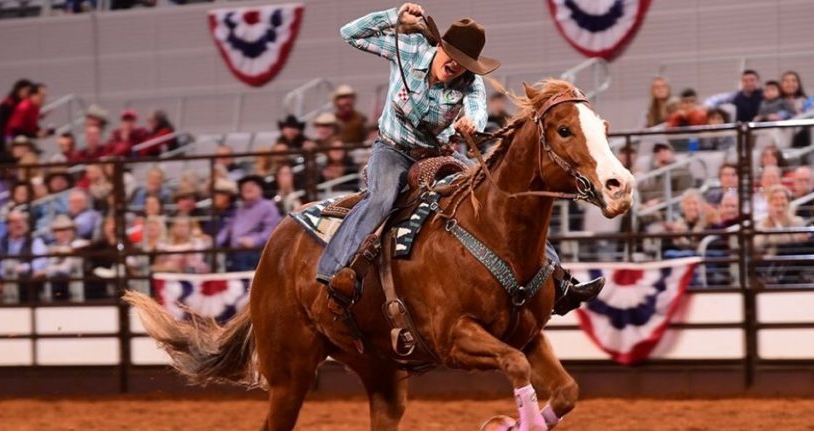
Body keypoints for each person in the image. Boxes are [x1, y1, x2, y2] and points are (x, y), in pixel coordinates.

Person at [317, 4, 603, 315]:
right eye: (452, 55)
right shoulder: (409, 48)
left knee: (501, 197)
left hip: (441, 154)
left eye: (465, 62)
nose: (455, 65)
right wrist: (395, 16)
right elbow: (350, 35)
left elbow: (478, 109)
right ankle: (335, 271)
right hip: (392, 150)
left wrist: (473, 123)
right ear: (439, 45)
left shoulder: (470, 83)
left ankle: (560, 283)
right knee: (382, 197)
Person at [0, 210, 48, 303]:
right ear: (8, 225)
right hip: (1, 281)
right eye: (14, 222)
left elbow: (41, 261)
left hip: (24, 282)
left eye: (21, 221)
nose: (19, 225)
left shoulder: (35, 242)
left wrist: (23, 267)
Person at [216, 175, 281, 271]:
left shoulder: (268, 207)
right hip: (234, 253)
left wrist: (254, 241)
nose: (248, 188)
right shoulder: (240, 210)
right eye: (244, 186)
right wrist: (215, 241)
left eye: (252, 185)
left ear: (260, 189)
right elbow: (228, 229)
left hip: (255, 253)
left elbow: (271, 231)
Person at [0, 79, 32, 162]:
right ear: (18, 90)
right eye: (26, 91)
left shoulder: (23, 103)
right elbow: (3, 122)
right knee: (5, 160)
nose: (27, 94)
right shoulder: (8, 102)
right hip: (3, 136)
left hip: (12, 136)